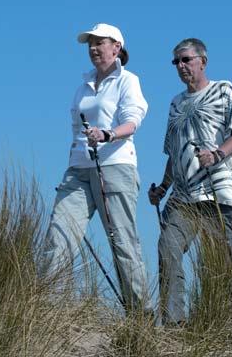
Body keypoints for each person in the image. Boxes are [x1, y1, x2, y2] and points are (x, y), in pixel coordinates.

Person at [42, 23, 152, 315]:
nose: (93, 48)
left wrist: (108, 134)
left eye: (99, 42)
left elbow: (133, 121)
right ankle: (48, 311)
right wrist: (72, 163)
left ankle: (140, 315)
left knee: (122, 242)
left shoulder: (128, 81)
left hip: (115, 166)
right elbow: (76, 131)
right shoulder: (83, 86)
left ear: (116, 47)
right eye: (90, 44)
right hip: (78, 170)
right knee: (59, 235)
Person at [148, 37, 232, 326]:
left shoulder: (223, 90)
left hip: (218, 194)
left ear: (203, 61)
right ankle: (174, 324)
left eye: (186, 59)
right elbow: (173, 151)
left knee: (216, 265)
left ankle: (217, 324)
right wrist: (163, 188)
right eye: (176, 62)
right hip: (182, 196)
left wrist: (216, 154)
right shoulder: (175, 103)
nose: (180, 66)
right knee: (168, 248)